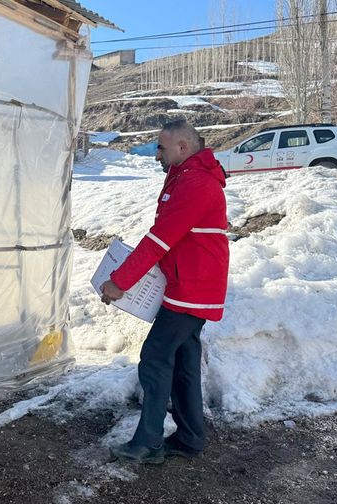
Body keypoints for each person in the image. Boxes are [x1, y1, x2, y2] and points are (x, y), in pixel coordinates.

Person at [100, 119, 229, 464]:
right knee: (184, 362)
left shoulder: (196, 184)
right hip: (189, 285)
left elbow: (159, 239)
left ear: (182, 147)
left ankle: (148, 442)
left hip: (192, 289)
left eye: (161, 147)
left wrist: (119, 282)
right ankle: (190, 437)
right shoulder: (186, 177)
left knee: (156, 358)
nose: (156, 153)